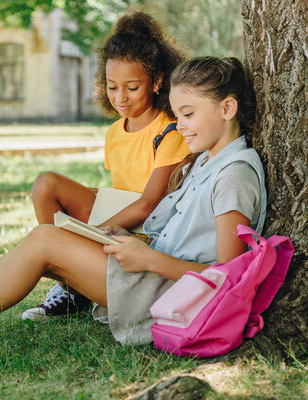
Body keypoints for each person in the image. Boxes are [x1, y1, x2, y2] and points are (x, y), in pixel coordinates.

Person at [0, 56, 266, 368]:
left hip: (166, 295)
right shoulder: (208, 161)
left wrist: (147, 257)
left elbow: (228, 280)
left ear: (227, 109)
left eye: (188, 115)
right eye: (176, 117)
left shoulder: (234, 174)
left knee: (46, 240)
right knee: (40, 242)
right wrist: (130, 242)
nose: (180, 126)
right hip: (150, 272)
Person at [23, 12, 189, 320]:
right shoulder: (114, 132)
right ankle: (71, 289)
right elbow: (121, 190)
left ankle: (74, 271)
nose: (120, 97)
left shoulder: (171, 128)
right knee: (46, 183)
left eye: (132, 87)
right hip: (122, 212)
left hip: (150, 228)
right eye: (112, 87)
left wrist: (94, 233)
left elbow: (149, 202)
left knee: (60, 242)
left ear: (157, 82)